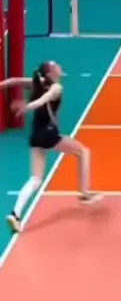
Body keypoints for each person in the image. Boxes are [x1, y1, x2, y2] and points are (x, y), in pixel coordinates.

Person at [0, 62, 101, 233]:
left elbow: (13, 81)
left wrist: (2, 85)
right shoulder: (56, 88)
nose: (60, 67)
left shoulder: (37, 83)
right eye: (56, 66)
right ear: (50, 73)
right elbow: (43, 100)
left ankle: (15, 215)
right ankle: (84, 193)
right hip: (49, 134)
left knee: (35, 179)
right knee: (84, 151)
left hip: (36, 136)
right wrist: (26, 107)